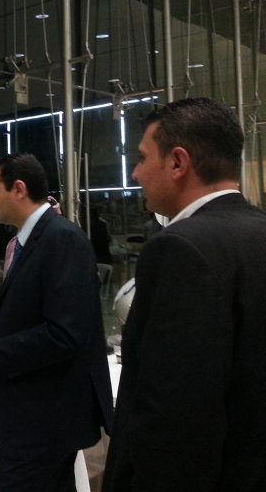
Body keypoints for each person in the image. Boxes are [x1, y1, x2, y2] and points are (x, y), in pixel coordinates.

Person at [102, 97, 266, 491]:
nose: (135, 173)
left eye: (142, 158)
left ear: (178, 162)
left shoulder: (180, 247)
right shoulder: (258, 230)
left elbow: (175, 415)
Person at [0, 153, 113, 492]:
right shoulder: (30, 241)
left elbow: (65, 333)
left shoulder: (62, 239)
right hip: (32, 416)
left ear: (19, 189)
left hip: (45, 420)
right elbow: (38, 314)